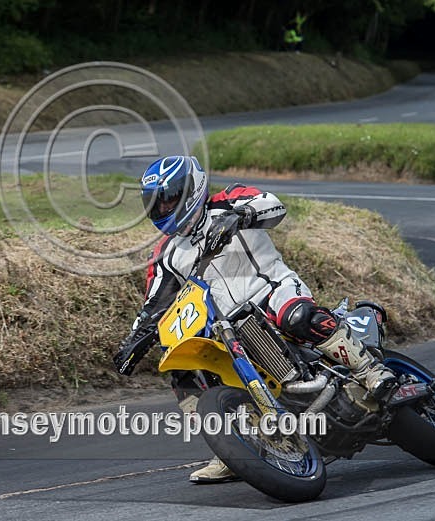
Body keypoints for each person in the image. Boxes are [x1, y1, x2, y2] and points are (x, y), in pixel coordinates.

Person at [113, 156, 396, 483]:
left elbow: (273, 206)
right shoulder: (166, 253)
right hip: (230, 325)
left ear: (191, 188)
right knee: (183, 371)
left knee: (295, 315)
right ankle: (232, 448)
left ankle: (370, 370)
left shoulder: (229, 199)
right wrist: (134, 339)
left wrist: (240, 215)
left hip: (272, 290)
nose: (164, 207)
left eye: (170, 197)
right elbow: (154, 303)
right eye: (157, 202)